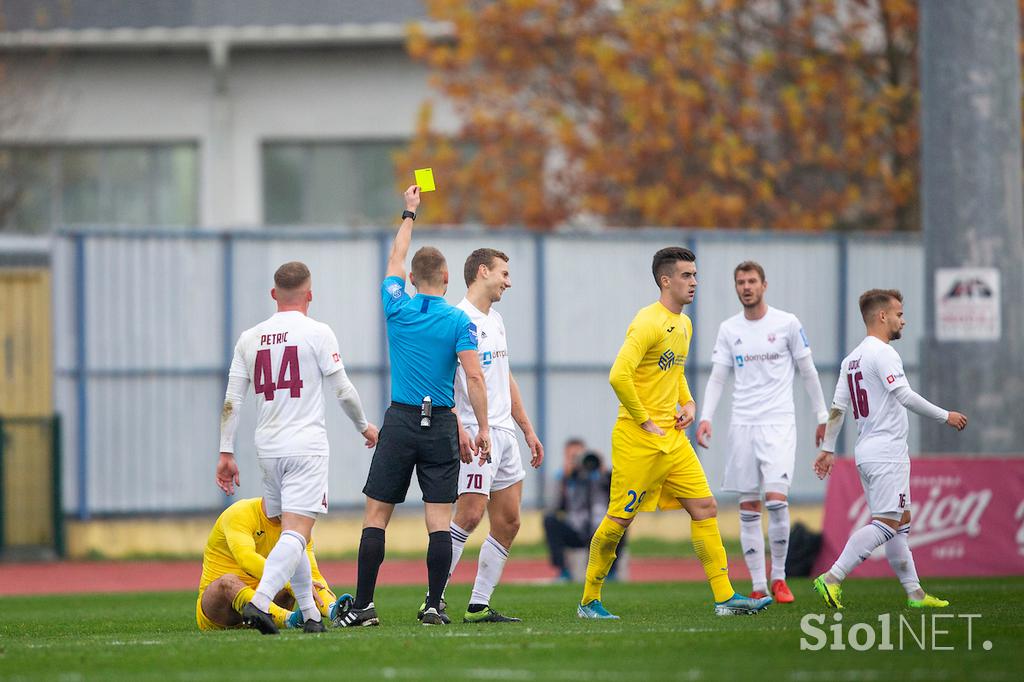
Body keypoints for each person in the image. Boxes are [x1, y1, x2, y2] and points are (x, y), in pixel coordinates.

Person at [578, 247, 772, 619]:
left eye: (695, 275)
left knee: (705, 507)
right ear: (666, 281)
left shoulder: (684, 324)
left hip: (673, 439)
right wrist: (644, 419)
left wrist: (689, 404)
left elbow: (674, 370)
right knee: (619, 519)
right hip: (639, 440)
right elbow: (619, 374)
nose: (695, 282)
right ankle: (589, 600)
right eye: (687, 275)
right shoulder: (647, 321)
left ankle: (725, 597)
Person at [335, 185, 491, 628]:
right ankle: (433, 605)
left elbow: (393, 261)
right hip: (441, 423)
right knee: (438, 521)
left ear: (411, 279)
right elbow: (474, 377)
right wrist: (481, 427)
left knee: (376, 516)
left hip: (400, 420)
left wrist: (409, 212)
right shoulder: (459, 319)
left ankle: (364, 605)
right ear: (446, 280)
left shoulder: (395, 305)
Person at [216, 261, 378, 634]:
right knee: (296, 533)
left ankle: (310, 614)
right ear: (310, 294)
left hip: (267, 448)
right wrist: (364, 426)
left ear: (274, 295)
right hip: (305, 446)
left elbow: (232, 401)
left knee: (295, 533)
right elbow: (343, 390)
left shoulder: (249, 338)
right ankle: (259, 602)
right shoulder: (317, 332)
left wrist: (226, 452)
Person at [812, 289, 967, 609]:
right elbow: (905, 395)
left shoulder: (850, 359)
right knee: (886, 525)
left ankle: (915, 594)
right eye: (898, 314)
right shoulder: (883, 353)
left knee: (900, 524)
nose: (903, 320)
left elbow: (838, 408)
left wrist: (828, 448)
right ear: (882, 316)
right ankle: (832, 578)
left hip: (867, 452)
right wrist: (945, 416)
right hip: (886, 453)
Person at [695, 261, 829, 604]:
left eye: (752, 281)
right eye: (740, 282)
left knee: (776, 501)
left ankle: (780, 578)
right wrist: (706, 416)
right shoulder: (729, 329)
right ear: (736, 287)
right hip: (742, 425)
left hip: (778, 424)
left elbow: (808, 371)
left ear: (764, 285)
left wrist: (821, 415)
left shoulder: (787, 324)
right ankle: (757, 584)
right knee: (749, 506)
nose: (746, 287)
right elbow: (719, 377)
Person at [432, 248, 544, 624]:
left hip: (504, 434)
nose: (508, 282)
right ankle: (434, 599)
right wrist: (460, 427)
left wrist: (527, 429)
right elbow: (441, 382)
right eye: (504, 274)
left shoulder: (495, 319)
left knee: (509, 521)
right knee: (469, 514)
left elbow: (505, 378)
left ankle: (478, 604)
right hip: (476, 435)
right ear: (483, 272)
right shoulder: (455, 320)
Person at [196, 496, 343, 631]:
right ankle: (289, 619)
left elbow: (313, 575)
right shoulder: (239, 513)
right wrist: (290, 582)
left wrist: (331, 607)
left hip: (266, 599)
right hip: (220, 612)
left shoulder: (298, 527)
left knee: (299, 573)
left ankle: (333, 613)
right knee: (227, 581)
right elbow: (246, 559)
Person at [543, 448, 624, 581]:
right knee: (550, 520)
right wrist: (565, 480)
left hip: (600, 529)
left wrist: (604, 472)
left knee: (621, 522)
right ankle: (564, 571)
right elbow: (554, 507)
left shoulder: (603, 478)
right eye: (573, 457)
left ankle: (611, 572)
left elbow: (619, 498)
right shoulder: (567, 479)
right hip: (576, 529)